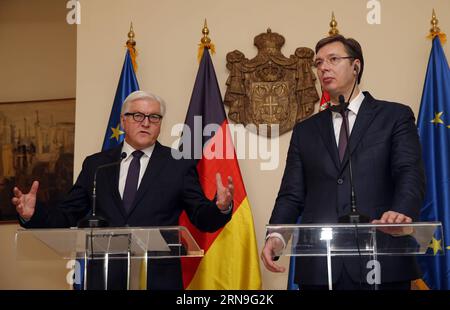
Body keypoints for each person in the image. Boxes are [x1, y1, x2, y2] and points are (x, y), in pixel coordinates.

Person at [12, 90, 234, 290]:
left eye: (154, 117)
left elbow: (202, 217)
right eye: (138, 115)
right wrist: (33, 215)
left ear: (160, 123)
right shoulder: (97, 165)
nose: (145, 123)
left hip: (158, 278)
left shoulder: (177, 164)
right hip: (104, 275)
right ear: (123, 120)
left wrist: (220, 208)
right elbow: (68, 213)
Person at [261, 35, 425, 290]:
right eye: (318, 63)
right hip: (320, 266)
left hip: (382, 259)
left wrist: (401, 212)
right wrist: (277, 236)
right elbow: (291, 194)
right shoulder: (305, 131)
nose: (323, 67)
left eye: (333, 59)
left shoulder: (395, 116)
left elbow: (409, 173)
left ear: (356, 66)